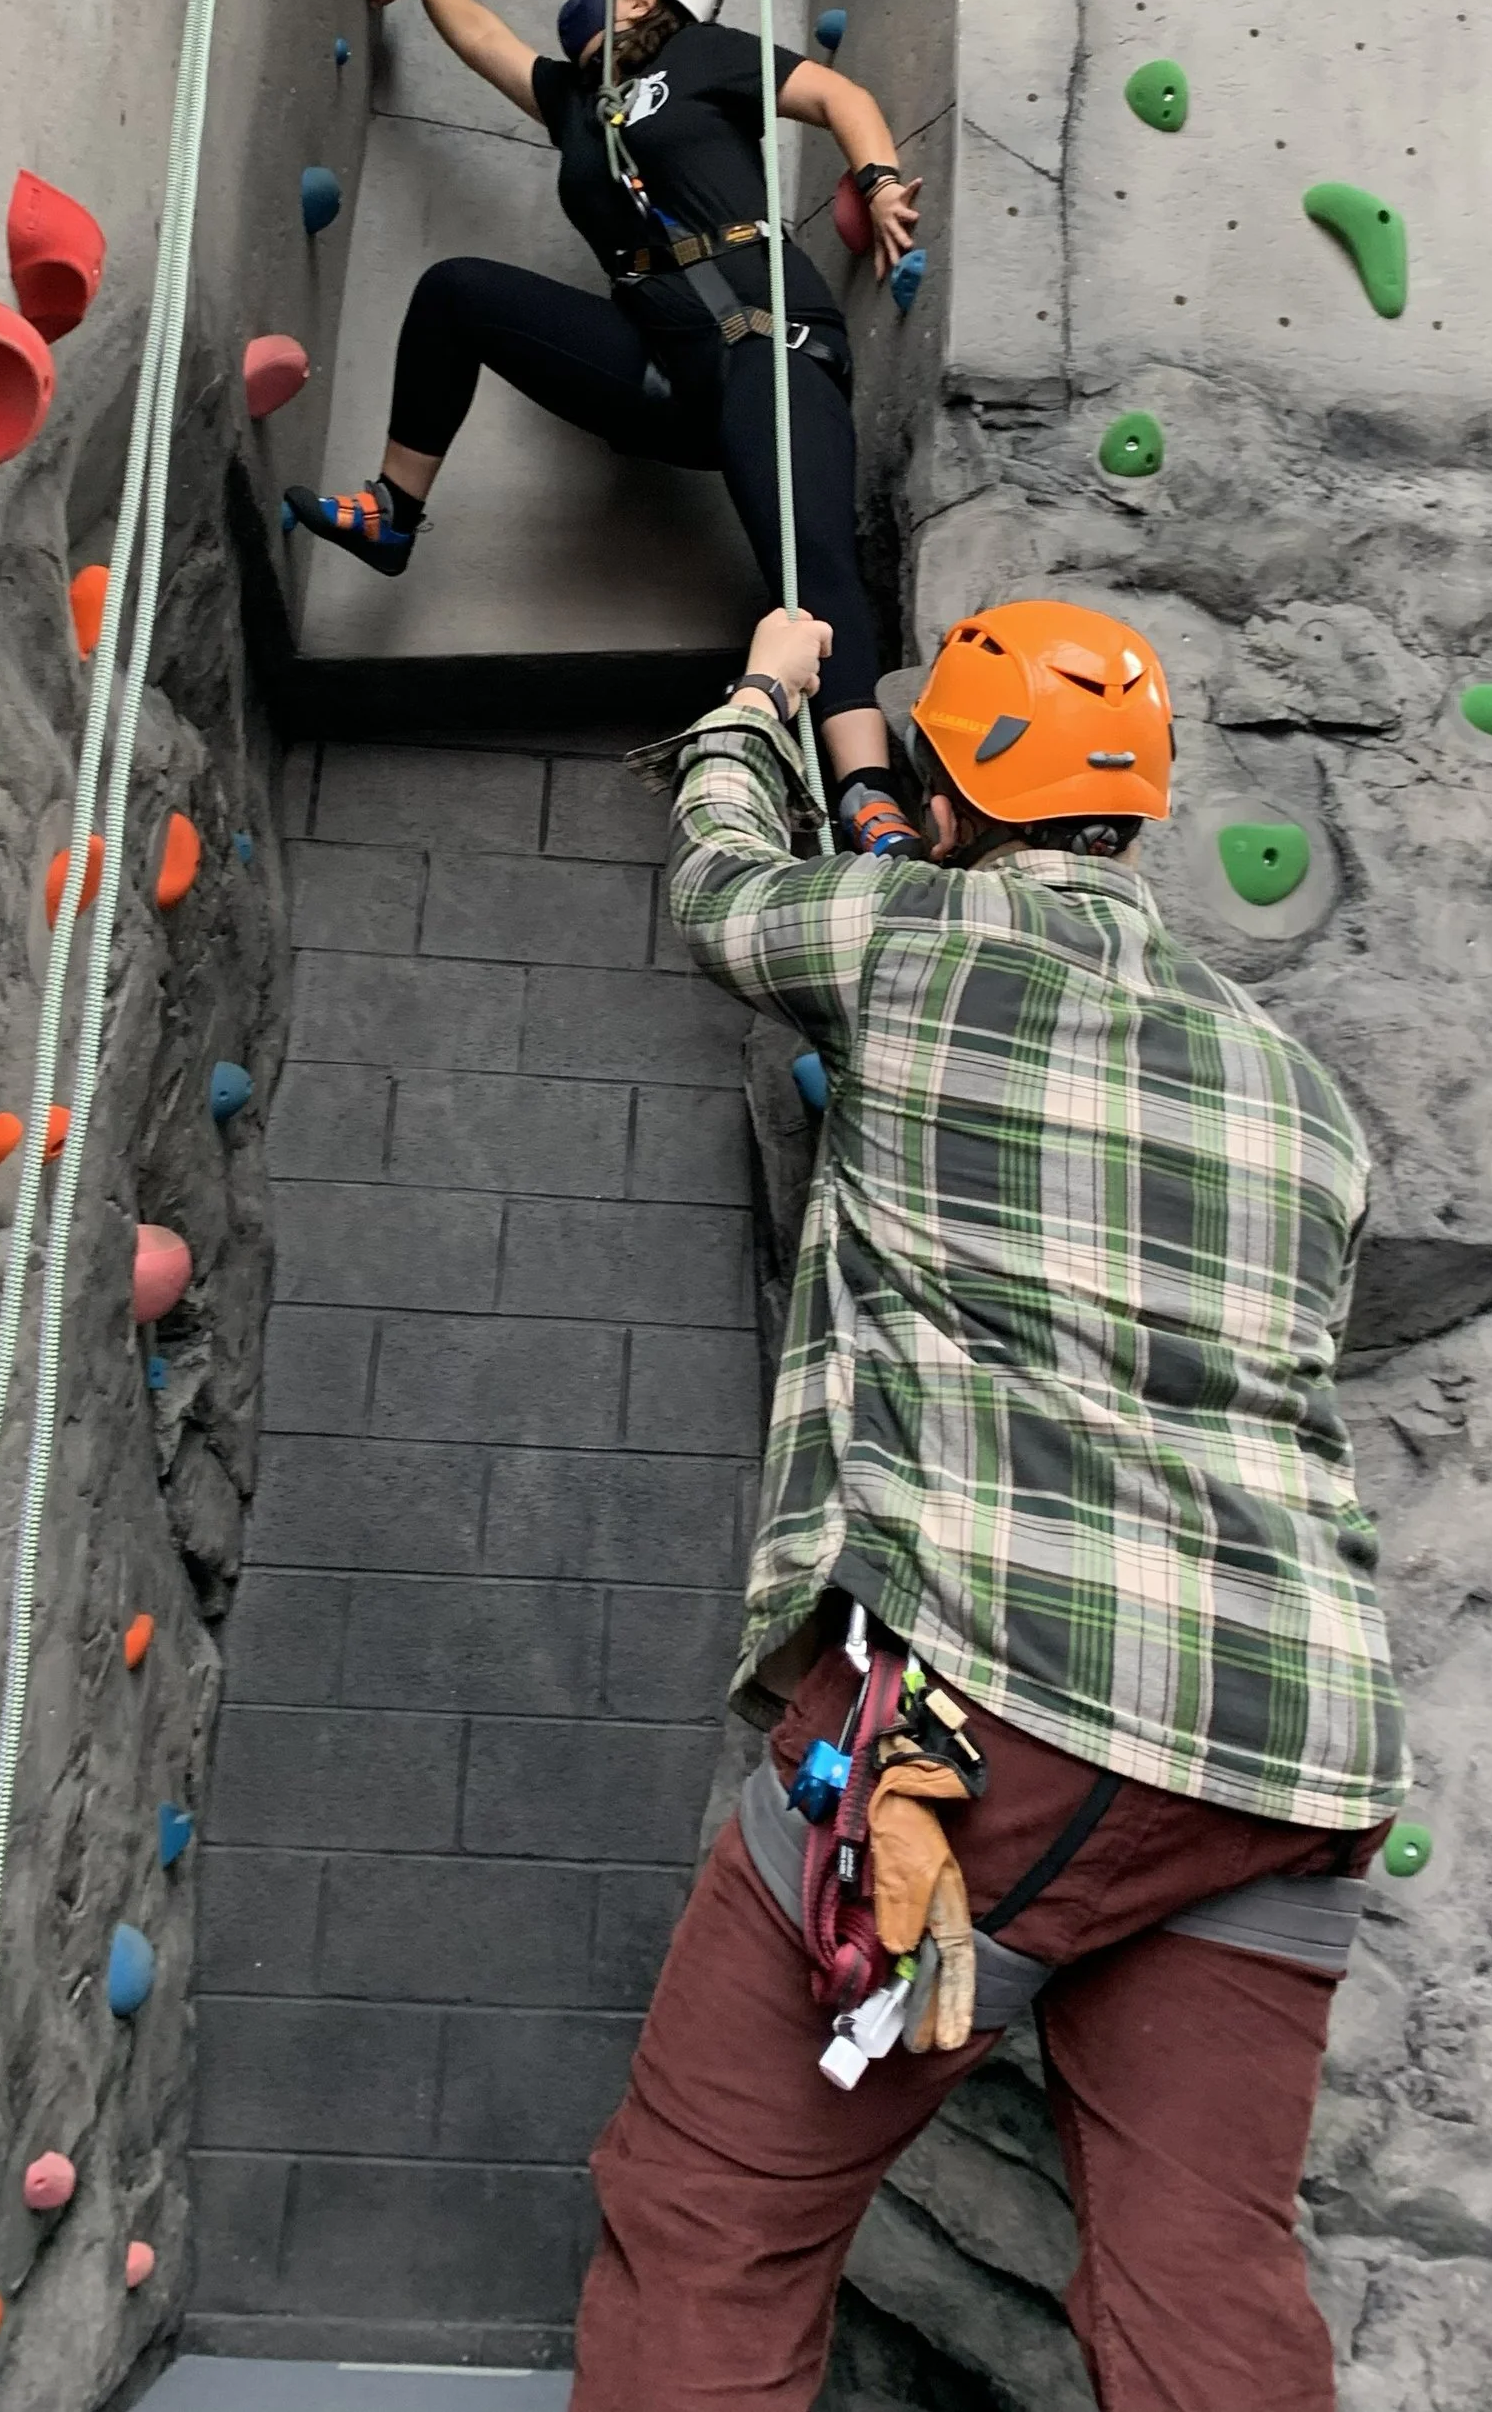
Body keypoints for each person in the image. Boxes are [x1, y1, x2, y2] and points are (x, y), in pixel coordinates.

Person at [576, 597, 1409, 2412]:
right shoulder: (1307, 1093)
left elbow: (726, 890)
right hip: (1293, 1745)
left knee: (710, 2210)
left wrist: (767, 701)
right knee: (1205, 2272)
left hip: (998, 1708)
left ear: (944, 794)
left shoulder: (915, 948)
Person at [284, 0, 924, 854]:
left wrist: (882, 178)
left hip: (766, 345)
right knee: (457, 292)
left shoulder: (707, 55)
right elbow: (491, 45)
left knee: (805, 559)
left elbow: (835, 93)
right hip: (665, 370)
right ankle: (393, 511)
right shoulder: (577, 100)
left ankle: (866, 789)